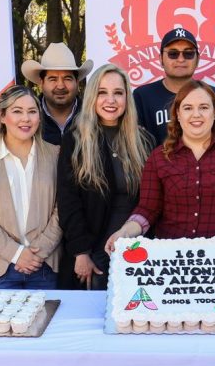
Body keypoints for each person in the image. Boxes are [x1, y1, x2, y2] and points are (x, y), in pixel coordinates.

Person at [105, 81, 215, 251]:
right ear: (178, 114)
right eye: (188, 108)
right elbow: (147, 209)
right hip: (172, 259)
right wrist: (124, 232)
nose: (196, 114)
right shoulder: (159, 157)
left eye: (204, 107)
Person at [57, 64, 154, 289]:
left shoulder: (144, 141)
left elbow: (152, 200)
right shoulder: (75, 140)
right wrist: (81, 252)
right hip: (94, 250)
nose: (111, 100)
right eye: (102, 92)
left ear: (127, 98)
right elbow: (68, 200)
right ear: (92, 96)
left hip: (138, 247)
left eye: (118, 93)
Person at [0, 86, 61, 289]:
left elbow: (63, 208)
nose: (26, 119)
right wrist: (16, 253)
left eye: (32, 111)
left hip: (43, 265)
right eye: (17, 111)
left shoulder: (55, 155)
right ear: (2, 115)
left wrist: (38, 252)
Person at [133, 27, 215, 142]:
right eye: (173, 54)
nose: (181, 59)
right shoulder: (142, 96)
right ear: (161, 59)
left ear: (197, 60)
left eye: (188, 54)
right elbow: (136, 144)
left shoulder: (213, 94)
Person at [20, 42, 93, 146]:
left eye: (67, 78)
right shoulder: (27, 120)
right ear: (41, 83)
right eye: (53, 79)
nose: (60, 86)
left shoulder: (92, 116)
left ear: (77, 82)